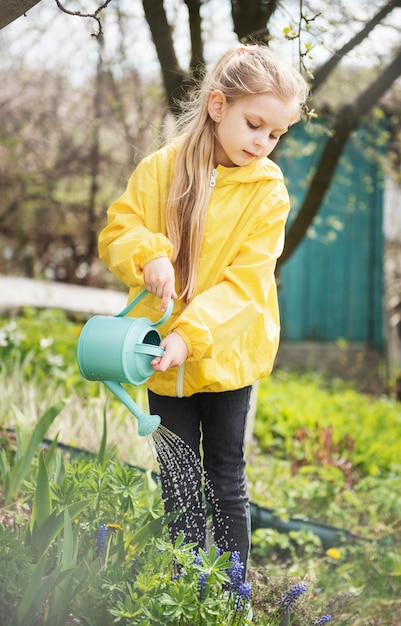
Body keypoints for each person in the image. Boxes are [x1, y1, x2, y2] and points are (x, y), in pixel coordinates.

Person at [98, 43, 309, 576]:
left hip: (228, 352)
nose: (263, 142)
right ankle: (186, 586)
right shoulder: (159, 170)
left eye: (276, 134)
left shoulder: (268, 192)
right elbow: (119, 231)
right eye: (255, 124)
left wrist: (190, 336)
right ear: (218, 106)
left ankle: (230, 595)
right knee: (176, 475)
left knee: (224, 474)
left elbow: (246, 284)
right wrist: (149, 256)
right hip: (156, 355)